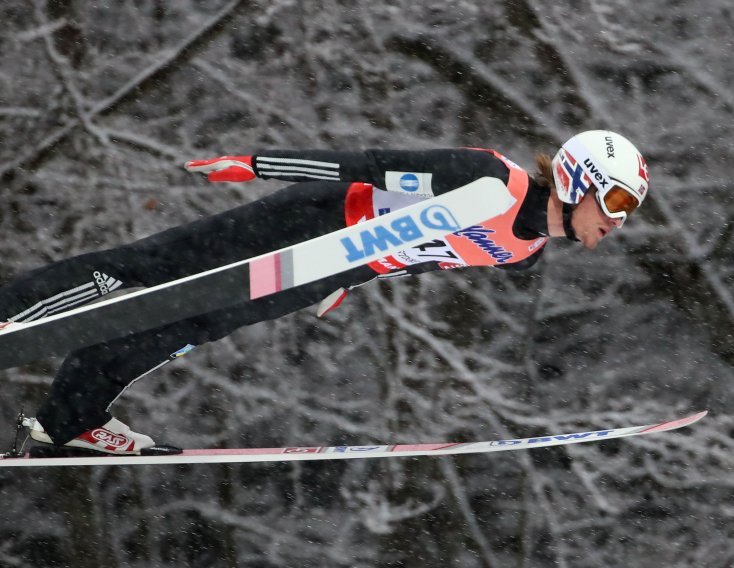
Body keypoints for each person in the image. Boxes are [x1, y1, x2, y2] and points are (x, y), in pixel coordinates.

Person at [2, 130, 650, 455]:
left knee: (183, 325)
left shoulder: (523, 251)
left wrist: (357, 275)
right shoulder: (491, 181)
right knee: (147, 270)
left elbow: (424, 253)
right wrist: (257, 164)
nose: (617, 219)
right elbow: (366, 166)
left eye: (632, 208)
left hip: (329, 265)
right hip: (314, 220)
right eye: (617, 199)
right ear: (577, 176)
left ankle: (71, 418)